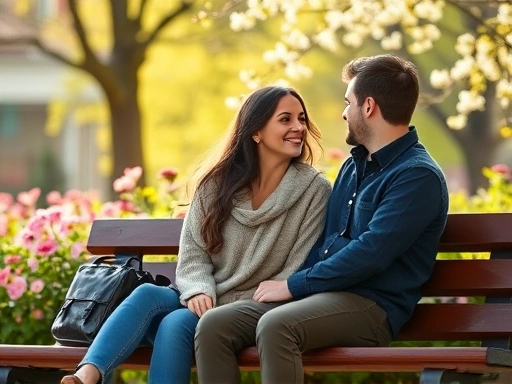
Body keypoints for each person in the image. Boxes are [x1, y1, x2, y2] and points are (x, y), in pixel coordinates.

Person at [194, 54, 449, 383]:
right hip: (319, 300)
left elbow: (370, 253)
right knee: (215, 325)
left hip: (372, 307)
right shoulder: (352, 166)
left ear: (368, 107)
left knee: (277, 325)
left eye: (349, 102)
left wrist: (293, 285)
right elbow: (326, 241)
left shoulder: (416, 176)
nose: (345, 113)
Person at [60, 85, 332, 384]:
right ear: (256, 131)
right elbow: (193, 254)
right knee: (148, 294)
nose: (298, 127)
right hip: (204, 300)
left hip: (255, 311)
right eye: (286, 119)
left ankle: (87, 375)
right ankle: (88, 374)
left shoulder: (314, 190)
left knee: (175, 323)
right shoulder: (217, 185)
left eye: (302, 119)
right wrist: (199, 289)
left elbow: (299, 263)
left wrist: (241, 299)